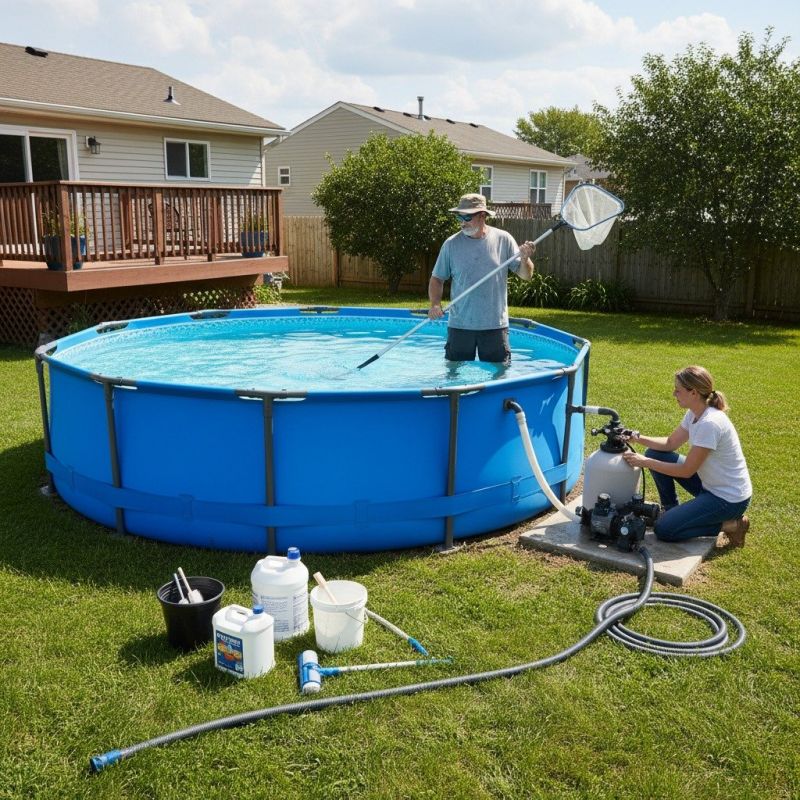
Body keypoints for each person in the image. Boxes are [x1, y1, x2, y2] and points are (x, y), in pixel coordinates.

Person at [622, 366, 752, 546]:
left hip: (728, 499)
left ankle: (732, 525)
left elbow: (686, 471)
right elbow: (670, 443)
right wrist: (638, 438)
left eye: (678, 390)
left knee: (664, 529)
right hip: (710, 485)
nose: (674, 393)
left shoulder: (710, 424)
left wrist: (645, 462)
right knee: (655, 453)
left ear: (694, 393)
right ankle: (670, 510)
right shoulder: (694, 413)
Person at [428, 193, 537, 364]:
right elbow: (437, 278)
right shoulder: (451, 244)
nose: (462, 221)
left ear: (482, 216)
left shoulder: (503, 239)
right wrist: (435, 304)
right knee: (454, 377)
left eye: (467, 216)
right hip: (460, 325)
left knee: (498, 375)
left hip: (495, 326)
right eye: (459, 216)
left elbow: (527, 275)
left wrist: (525, 259)